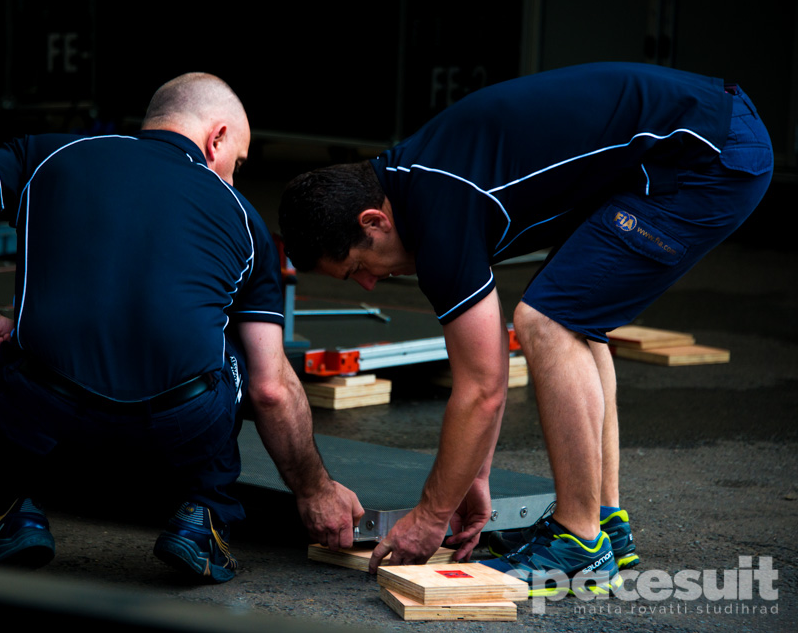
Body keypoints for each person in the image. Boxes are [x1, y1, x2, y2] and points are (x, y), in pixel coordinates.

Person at [277, 62, 773, 595]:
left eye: (357, 269)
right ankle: (604, 522)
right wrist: (474, 476)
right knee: (575, 320)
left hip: (707, 154)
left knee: (547, 319)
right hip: (702, 140)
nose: (370, 286)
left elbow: (484, 391)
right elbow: (481, 366)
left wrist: (430, 514)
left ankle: (579, 542)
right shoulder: (420, 183)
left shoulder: (440, 210)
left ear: (373, 223)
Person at [0, 72, 363, 583]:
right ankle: (203, 517)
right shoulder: (245, 220)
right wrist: (314, 490)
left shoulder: (49, 154)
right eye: (236, 164)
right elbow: (269, 389)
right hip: (178, 423)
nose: (234, 180)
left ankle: (5, 517)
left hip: (43, 404)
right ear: (216, 137)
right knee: (237, 354)